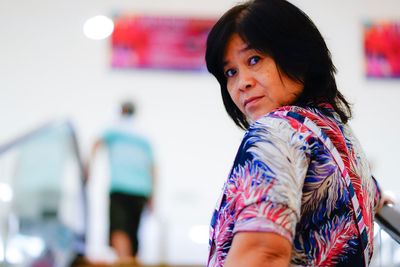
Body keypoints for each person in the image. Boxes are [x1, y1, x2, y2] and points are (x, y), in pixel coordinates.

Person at [205, 0, 386, 266]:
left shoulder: (276, 131)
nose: (242, 83)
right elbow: (368, 193)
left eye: (254, 59)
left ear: (297, 55)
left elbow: (263, 253)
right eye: (230, 72)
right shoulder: (338, 134)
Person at [89, 101, 155, 263]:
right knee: (132, 233)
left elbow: (96, 144)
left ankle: (124, 262)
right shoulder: (144, 135)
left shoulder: (113, 128)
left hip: (120, 187)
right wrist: (152, 195)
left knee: (119, 230)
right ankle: (128, 261)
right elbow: (152, 167)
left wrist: (87, 168)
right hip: (142, 189)